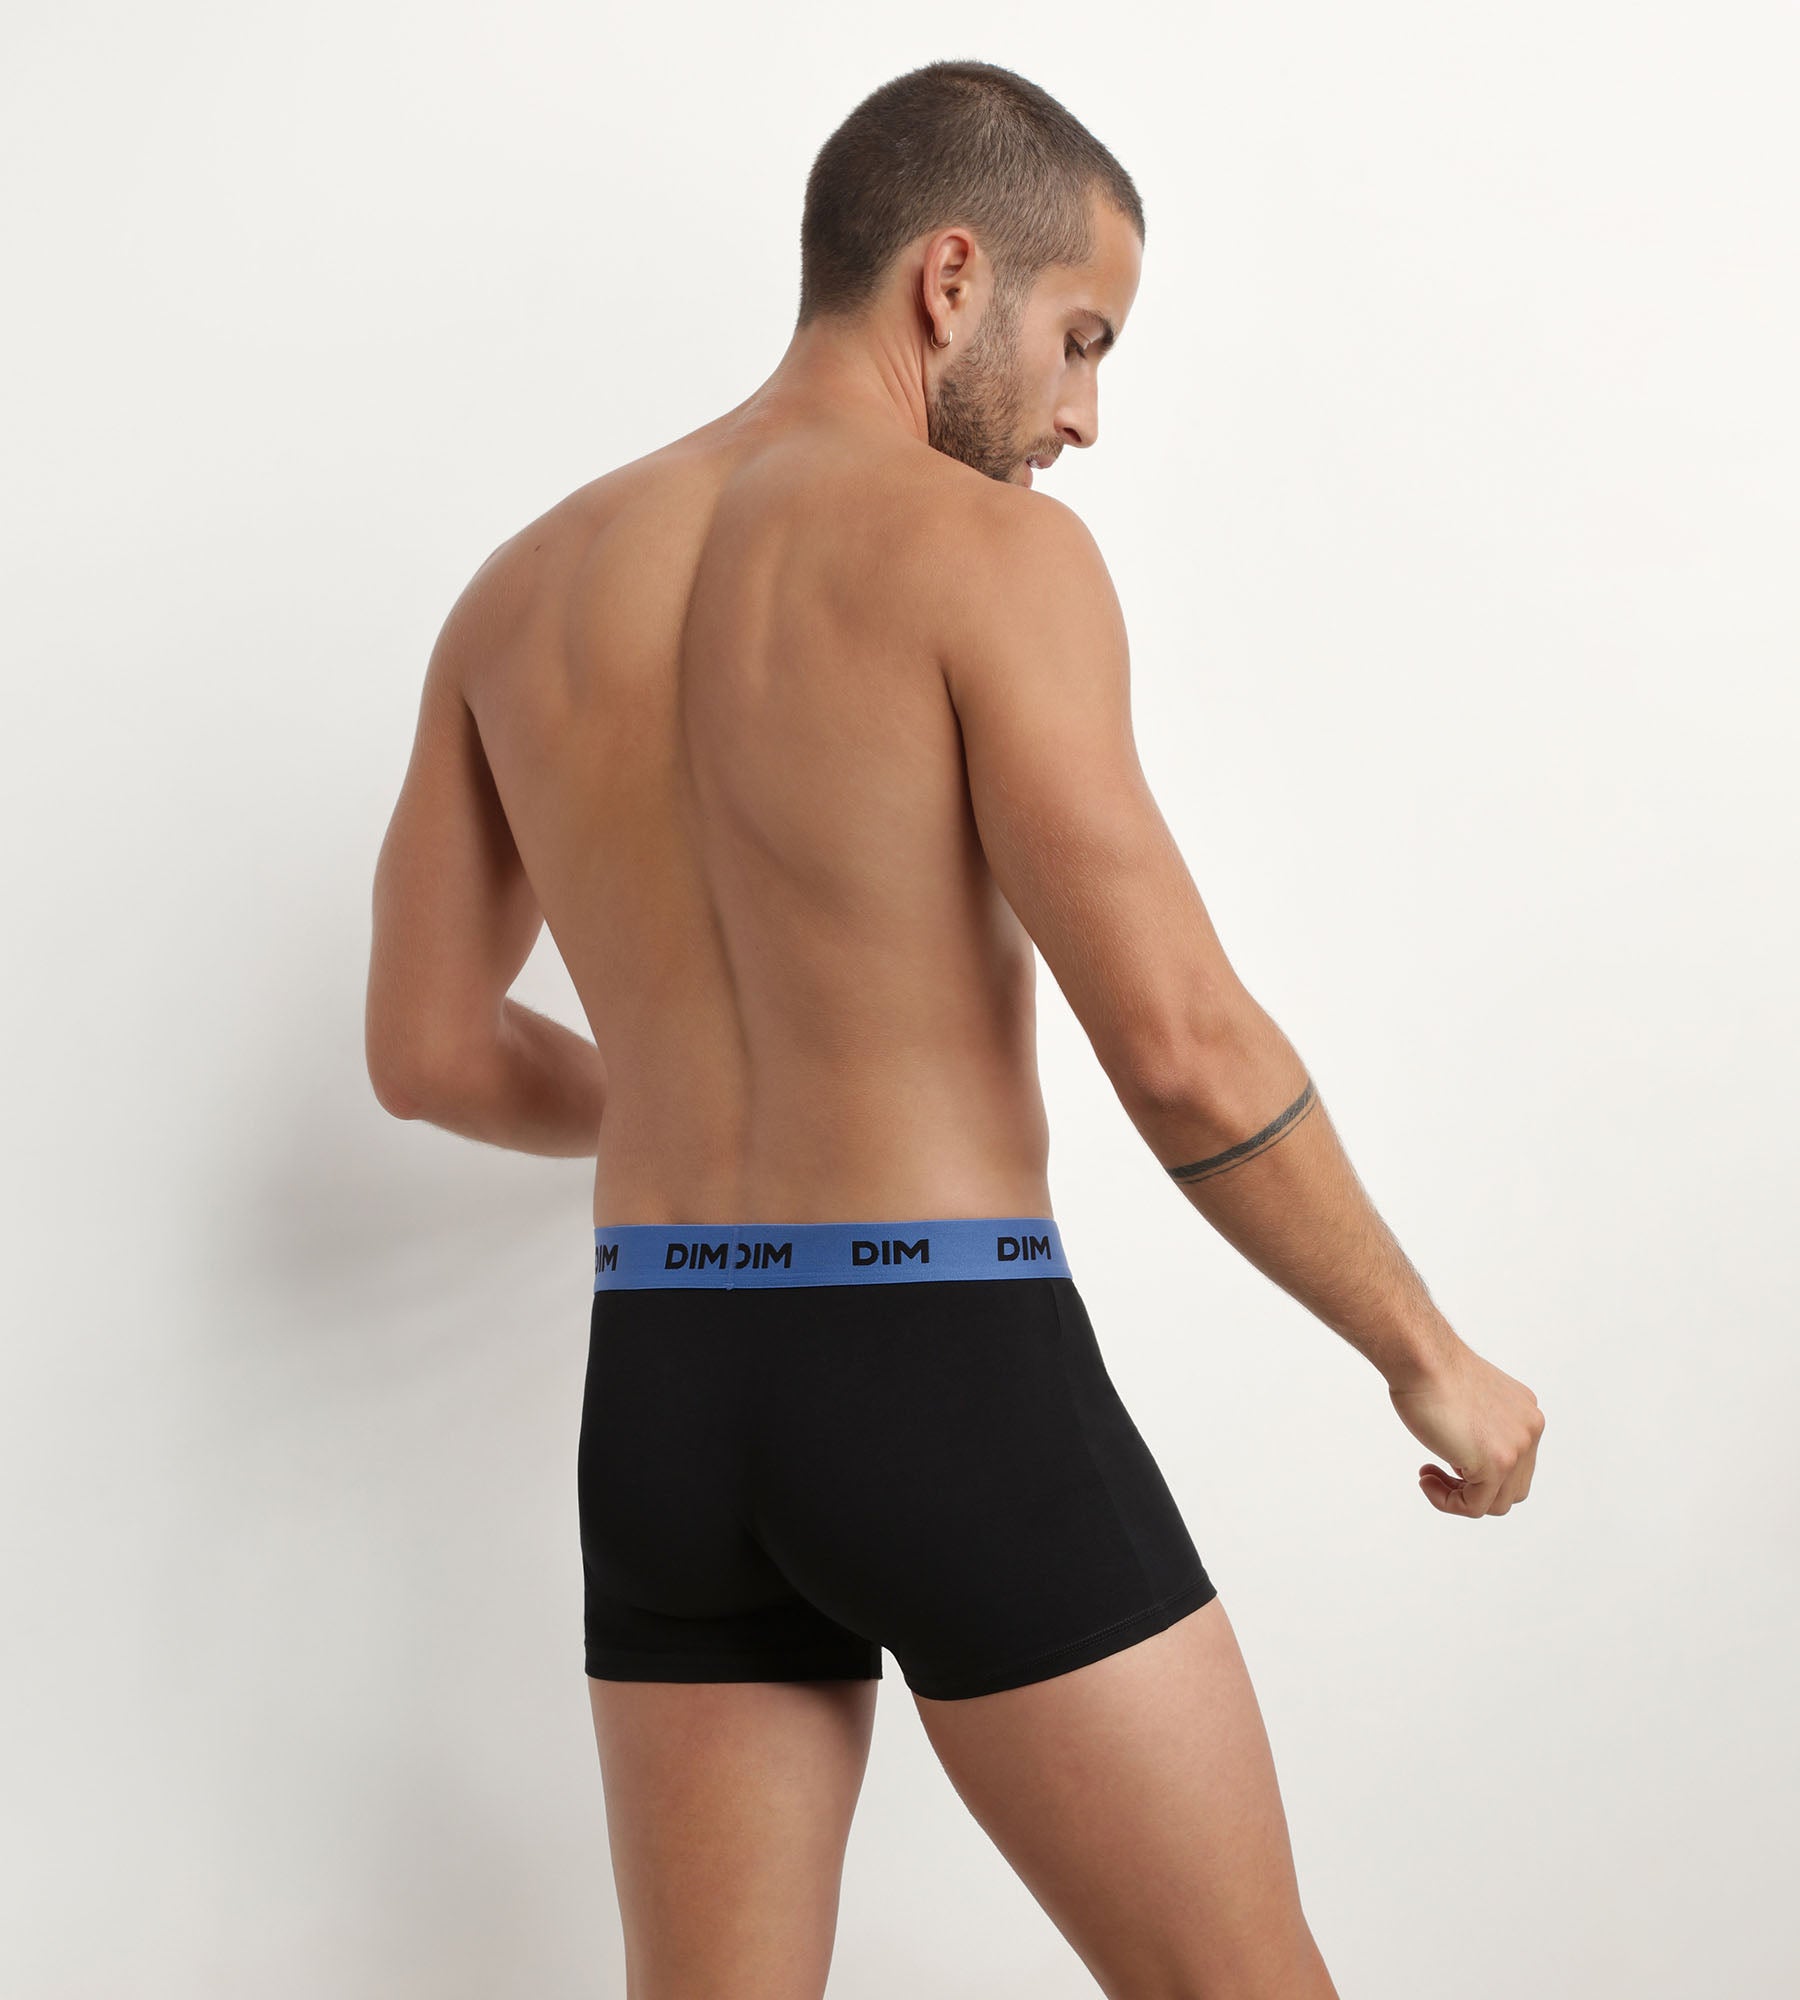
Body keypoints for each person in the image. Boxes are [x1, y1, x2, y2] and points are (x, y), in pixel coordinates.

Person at [365, 56, 1544, 2000]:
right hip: (939, 1365)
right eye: (1084, 340)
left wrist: (673, 1080)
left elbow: (426, 1050)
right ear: (950, 277)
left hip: (666, 1390)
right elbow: (1178, 1040)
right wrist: (1428, 1353)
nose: (1086, 415)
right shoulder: (986, 555)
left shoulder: (523, 592)